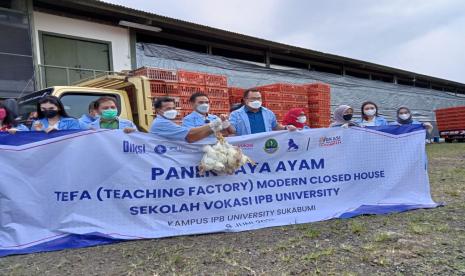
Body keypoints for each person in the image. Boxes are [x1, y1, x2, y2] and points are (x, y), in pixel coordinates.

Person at [150, 97, 228, 143]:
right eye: (168, 109)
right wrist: (212, 125)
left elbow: (229, 133)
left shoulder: (165, 121)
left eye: (173, 108)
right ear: (158, 110)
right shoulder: (161, 123)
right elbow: (190, 136)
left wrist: (213, 129)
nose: (172, 110)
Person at [229, 89, 297, 136]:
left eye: (259, 98)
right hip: (247, 148)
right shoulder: (235, 114)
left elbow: (275, 126)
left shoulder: (268, 113)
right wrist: (225, 123)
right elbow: (232, 130)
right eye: (253, 98)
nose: (257, 100)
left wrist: (286, 128)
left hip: (265, 148)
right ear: (245, 100)